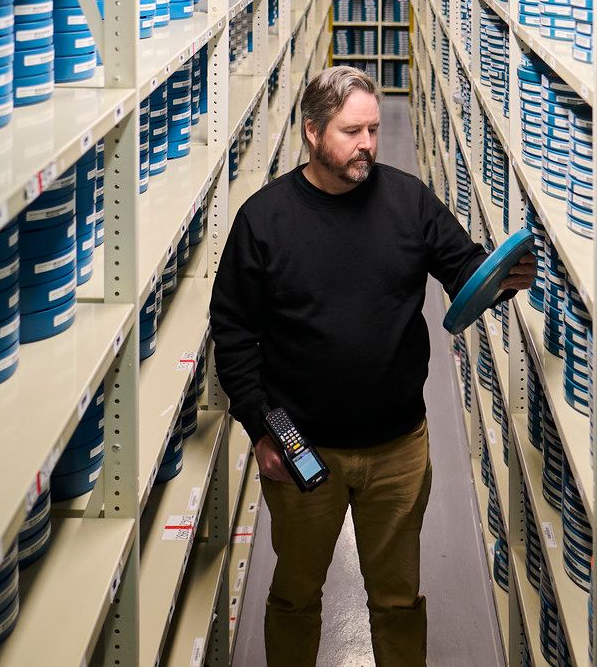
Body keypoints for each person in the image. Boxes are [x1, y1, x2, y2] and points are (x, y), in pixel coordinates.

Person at [211, 64, 536, 667]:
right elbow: (232, 335)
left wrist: (501, 280)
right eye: (350, 131)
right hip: (305, 449)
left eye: (373, 130)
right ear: (311, 132)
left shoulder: (408, 200)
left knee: (397, 599)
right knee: (296, 595)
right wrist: (261, 428)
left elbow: (463, 268)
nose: (367, 144)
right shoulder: (265, 219)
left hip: (398, 447)